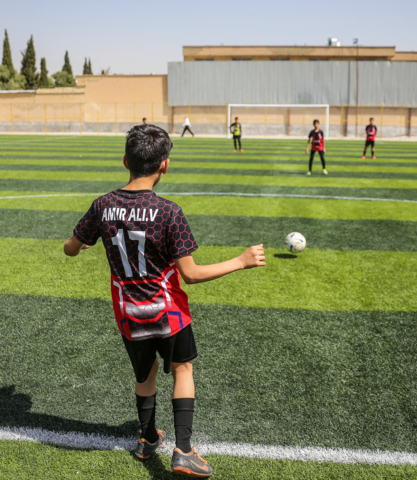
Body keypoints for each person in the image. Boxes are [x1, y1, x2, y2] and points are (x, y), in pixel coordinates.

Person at [63, 124, 265, 478]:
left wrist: (80, 244)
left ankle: (146, 439)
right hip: (168, 310)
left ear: (125, 160)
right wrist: (241, 261)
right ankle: (184, 449)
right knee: (183, 370)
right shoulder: (169, 212)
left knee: (145, 374)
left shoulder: (102, 206)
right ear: (165, 165)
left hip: (128, 313)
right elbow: (191, 273)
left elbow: (71, 248)